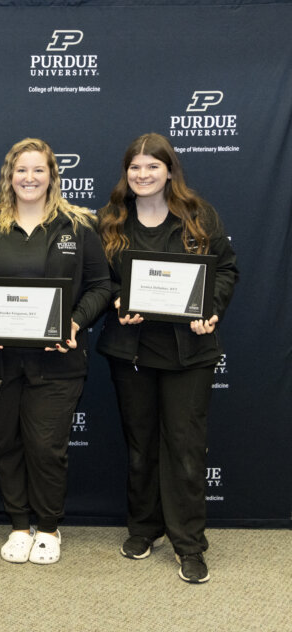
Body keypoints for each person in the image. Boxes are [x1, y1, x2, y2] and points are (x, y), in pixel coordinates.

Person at [97, 133, 237, 584]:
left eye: (152, 167)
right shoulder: (111, 220)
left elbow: (227, 268)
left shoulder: (199, 216)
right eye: (134, 167)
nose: (142, 175)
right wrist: (120, 300)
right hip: (131, 351)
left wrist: (210, 309)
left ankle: (190, 544)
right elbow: (99, 280)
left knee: (186, 448)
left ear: (170, 171)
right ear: (126, 173)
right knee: (140, 447)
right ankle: (144, 527)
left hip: (189, 352)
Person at [0, 137, 110, 565]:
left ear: (52, 175)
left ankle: (48, 527)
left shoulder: (80, 224)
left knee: (46, 446)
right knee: (6, 443)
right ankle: (18, 525)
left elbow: (102, 286)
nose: (29, 178)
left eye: (38, 170)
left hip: (58, 360)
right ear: (9, 176)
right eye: (21, 170)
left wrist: (74, 321)